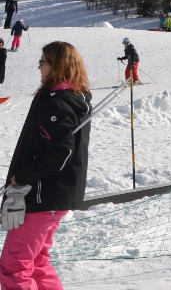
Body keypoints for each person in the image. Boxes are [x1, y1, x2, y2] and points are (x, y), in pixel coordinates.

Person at [0, 41, 92, 289]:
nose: (39, 67)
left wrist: (22, 176)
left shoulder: (55, 101)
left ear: (56, 65)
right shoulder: (75, 97)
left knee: (15, 266)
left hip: (43, 196)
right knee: (37, 260)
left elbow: (61, 152)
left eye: (43, 62)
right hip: (55, 196)